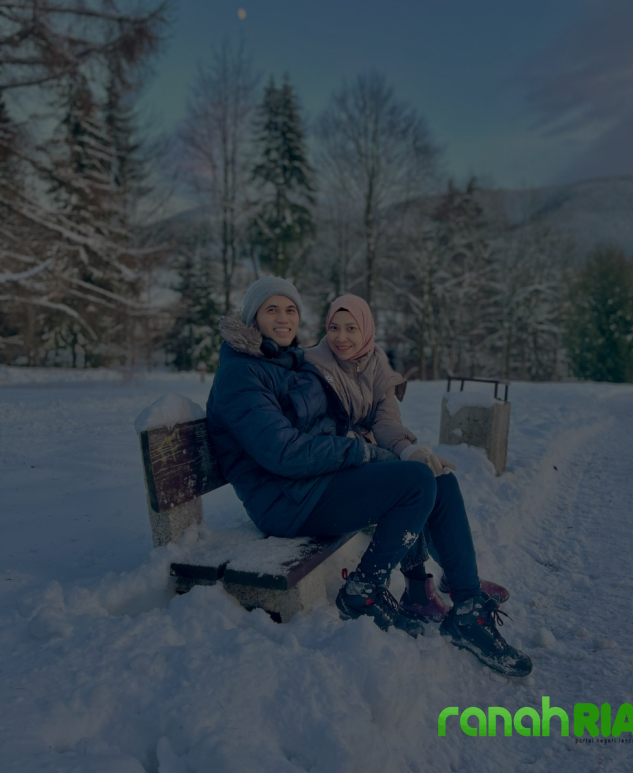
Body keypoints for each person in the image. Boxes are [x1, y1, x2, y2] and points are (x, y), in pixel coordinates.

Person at [206, 276, 532, 677]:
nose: (283, 318)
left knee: (437, 476)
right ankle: (362, 591)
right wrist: (360, 451)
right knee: (414, 484)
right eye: (271, 309)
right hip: (285, 502)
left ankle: (467, 608)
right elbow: (285, 452)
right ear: (252, 316)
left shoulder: (284, 362)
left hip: (311, 483)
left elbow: (324, 426)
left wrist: (375, 448)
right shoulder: (241, 375)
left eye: (290, 309)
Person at [305, 294, 509, 623]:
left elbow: (386, 422)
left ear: (366, 331)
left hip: (366, 460)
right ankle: (421, 588)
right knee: (412, 482)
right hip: (337, 472)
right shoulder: (315, 367)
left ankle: (458, 585)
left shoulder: (373, 364)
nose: (341, 337)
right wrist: (389, 456)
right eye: (334, 327)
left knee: (438, 476)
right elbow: (325, 434)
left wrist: (410, 449)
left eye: (351, 328)